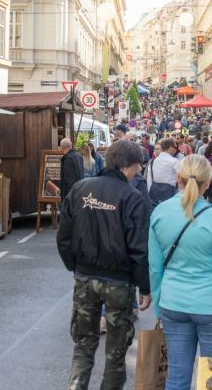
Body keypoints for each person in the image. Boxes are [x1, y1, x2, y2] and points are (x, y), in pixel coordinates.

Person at [56, 139, 151, 390]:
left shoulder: (79, 189)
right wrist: (145, 287)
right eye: (138, 166)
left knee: (83, 346)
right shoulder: (133, 197)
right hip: (119, 281)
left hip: (85, 277)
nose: (140, 170)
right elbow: (139, 248)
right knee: (116, 353)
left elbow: (63, 237)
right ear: (126, 166)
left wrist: (75, 267)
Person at [148, 155, 212, 390]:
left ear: (178, 179)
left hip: (173, 302)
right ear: (208, 183)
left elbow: (155, 267)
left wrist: (158, 306)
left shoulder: (160, 213)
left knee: (177, 376)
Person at [147, 138, 181, 206]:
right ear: (170, 147)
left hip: (154, 192)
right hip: (169, 193)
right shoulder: (174, 161)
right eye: (175, 147)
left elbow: (149, 179)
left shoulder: (153, 161)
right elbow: (181, 177)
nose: (176, 150)